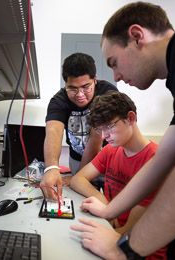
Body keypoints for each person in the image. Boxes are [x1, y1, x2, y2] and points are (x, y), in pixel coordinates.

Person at [70, 2, 175, 260]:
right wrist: (109, 211)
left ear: (137, 36)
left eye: (114, 62)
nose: (115, 77)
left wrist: (124, 249)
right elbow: (162, 160)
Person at [70, 91, 166, 260]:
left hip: (138, 249)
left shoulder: (154, 161)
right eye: (101, 129)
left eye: (110, 126)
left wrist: (107, 213)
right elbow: (78, 179)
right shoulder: (111, 150)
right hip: (111, 229)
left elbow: (128, 231)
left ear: (130, 118)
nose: (105, 136)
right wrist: (107, 206)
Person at [40, 53, 118, 200]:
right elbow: (53, 131)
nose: (80, 94)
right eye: (73, 88)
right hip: (77, 158)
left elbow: (96, 137)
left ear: (95, 80)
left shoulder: (107, 94)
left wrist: (78, 178)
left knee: (111, 201)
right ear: (65, 84)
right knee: (80, 200)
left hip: (108, 158)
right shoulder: (58, 100)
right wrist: (51, 168)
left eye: (85, 87)